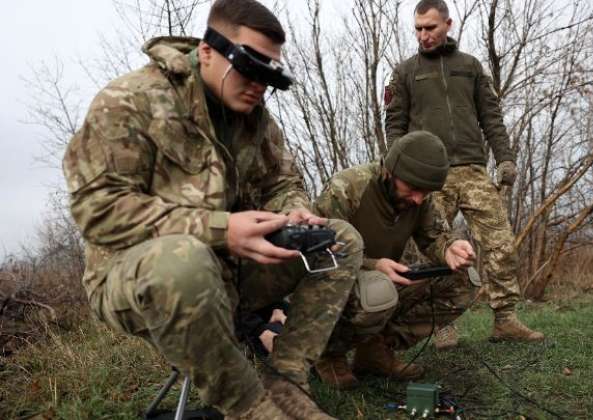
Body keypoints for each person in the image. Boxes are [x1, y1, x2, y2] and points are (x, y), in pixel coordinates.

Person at [62, 1, 362, 419]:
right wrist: (220, 229)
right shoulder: (129, 102)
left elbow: (282, 182)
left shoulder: (255, 119)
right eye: (249, 67)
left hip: (231, 272)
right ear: (207, 51)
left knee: (339, 241)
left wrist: (293, 213)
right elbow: (98, 210)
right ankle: (251, 407)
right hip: (140, 277)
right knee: (183, 262)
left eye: (268, 75)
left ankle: (287, 379)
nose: (258, 85)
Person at [384, 0, 544, 346]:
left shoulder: (470, 67)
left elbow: (491, 117)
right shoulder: (405, 72)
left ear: (448, 24)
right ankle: (440, 323)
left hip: (472, 169)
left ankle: (505, 319)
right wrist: (397, 169)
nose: (424, 35)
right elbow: (394, 125)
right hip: (429, 178)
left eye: (431, 27)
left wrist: (505, 159)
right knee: (433, 250)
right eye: (418, 29)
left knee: (499, 242)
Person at [312, 131, 478, 389]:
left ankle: (375, 350)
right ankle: (328, 354)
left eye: (425, 192)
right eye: (412, 189)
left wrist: (450, 247)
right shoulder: (346, 188)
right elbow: (315, 252)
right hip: (336, 286)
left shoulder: (420, 198)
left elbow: (433, 237)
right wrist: (372, 265)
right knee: (378, 288)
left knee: (463, 279)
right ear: (390, 172)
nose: (418, 199)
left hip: (384, 284)